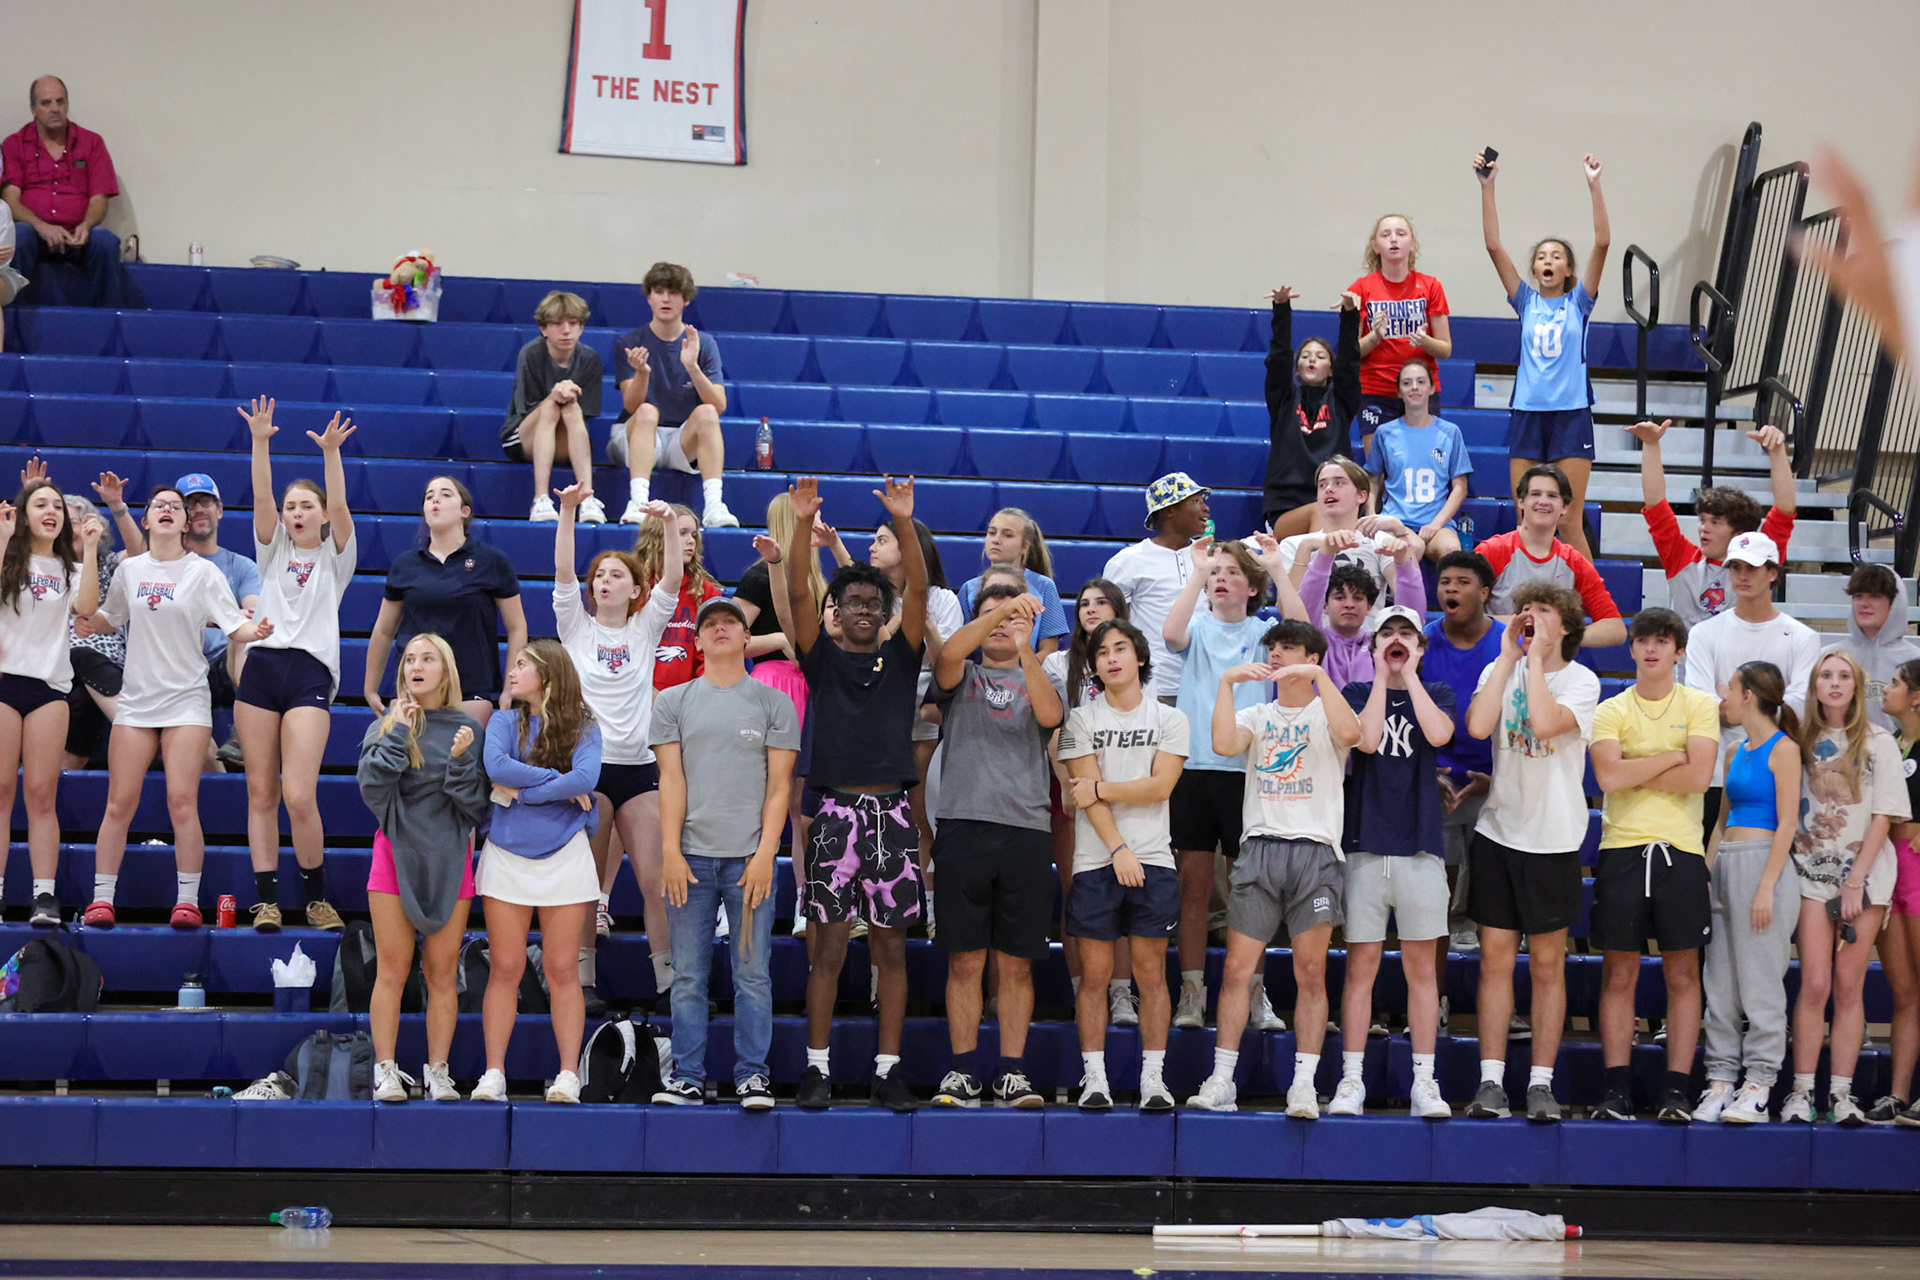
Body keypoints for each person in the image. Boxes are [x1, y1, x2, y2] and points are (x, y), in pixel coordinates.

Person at [785, 475, 928, 1112]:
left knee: (892, 948)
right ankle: (815, 1069)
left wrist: (903, 521)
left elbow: (919, 588)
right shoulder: (822, 658)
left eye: (875, 600)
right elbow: (794, 588)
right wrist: (799, 526)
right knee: (829, 947)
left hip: (893, 816)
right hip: (836, 814)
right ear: (836, 614)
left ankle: (888, 1068)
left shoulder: (901, 658)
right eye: (853, 602)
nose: (865, 607)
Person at [1187, 619, 1362, 1116]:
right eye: (1274, 648)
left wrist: (1321, 676)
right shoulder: (1258, 713)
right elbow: (1222, 745)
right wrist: (1225, 684)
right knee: (1239, 969)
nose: (1278, 654)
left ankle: (1303, 1083)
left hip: (1316, 851)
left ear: (1311, 657)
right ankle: (1223, 1079)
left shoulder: (1328, 710)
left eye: (1288, 648)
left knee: (1311, 971)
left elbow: (1355, 735)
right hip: (1260, 847)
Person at [81, 486, 274, 929]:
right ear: (145, 520)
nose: (167, 510)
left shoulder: (204, 573)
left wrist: (255, 630)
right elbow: (108, 617)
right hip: (137, 700)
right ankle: (101, 898)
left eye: (175, 507)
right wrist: (87, 619)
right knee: (118, 803)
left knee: (181, 802)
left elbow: (234, 625)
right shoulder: (129, 570)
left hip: (186, 699)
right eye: (158, 505)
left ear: (186, 524)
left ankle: (187, 900)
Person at [651, 596, 800, 1109]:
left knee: (752, 974)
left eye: (729, 624)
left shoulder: (773, 702)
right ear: (696, 641)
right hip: (689, 859)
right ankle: (687, 1075)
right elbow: (670, 781)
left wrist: (765, 855)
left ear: (744, 638)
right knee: (688, 974)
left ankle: (752, 1074)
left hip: (749, 860)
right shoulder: (673, 701)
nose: (719, 629)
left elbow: (779, 789)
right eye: (710, 624)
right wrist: (669, 850)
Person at [1463, 582, 1600, 1123]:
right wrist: (1506, 659)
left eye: (1544, 611)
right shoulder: (1504, 665)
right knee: (1495, 963)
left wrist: (1537, 662)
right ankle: (1490, 1081)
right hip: (1499, 832)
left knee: (1547, 966)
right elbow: (1477, 726)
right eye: (1526, 610)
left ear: (1565, 625)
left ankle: (1541, 1083)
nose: (1531, 618)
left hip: (1553, 839)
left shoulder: (1583, 681)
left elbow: (1545, 724)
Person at [925, 584, 1063, 1108]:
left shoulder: (1040, 676)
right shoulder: (962, 675)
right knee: (964, 962)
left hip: (1026, 831)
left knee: (1016, 963)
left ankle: (1012, 1071)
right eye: (990, 617)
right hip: (963, 826)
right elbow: (948, 654)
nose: (1002, 625)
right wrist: (1003, 610)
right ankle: (962, 1071)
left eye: (1011, 618)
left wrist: (1027, 643)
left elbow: (1050, 717)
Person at [1586, 609, 1719, 1122]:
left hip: (1681, 853)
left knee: (1683, 973)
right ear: (1632, 647)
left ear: (1678, 651)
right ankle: (1617, 1089)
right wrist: (1670, 757)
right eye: (1643, 640)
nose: (1651, 649)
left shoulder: (1700, 705)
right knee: (1619, 973)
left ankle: (1677, 1091)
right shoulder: (1611, 708)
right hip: (1622, 849)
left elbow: (1701, 777)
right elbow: (1608, 779)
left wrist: (1637, 767)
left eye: (1663, 641)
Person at [236, 399, 358, 933]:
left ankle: (316, 897)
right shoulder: (272, 551)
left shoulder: (336, 558)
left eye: (308, 505)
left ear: (323, 513)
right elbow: (261, 495)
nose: (298, 513)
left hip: (309, 673)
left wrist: (331, 454)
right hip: (261, 668)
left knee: (298, 794)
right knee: (260, 793)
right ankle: (266, 900)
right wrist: (260, 441)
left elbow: (343, 505)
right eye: (293, 507)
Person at [554, 485, 681, 994]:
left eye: (617, 575)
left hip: (638, 769)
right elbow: (564, 574)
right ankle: (582, 981)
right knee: (585, 885)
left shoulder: (645, 629)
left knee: (656, 882)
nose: (605, 581)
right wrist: (566, 511)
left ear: (635, 591)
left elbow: (672, 577)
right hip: (588, 770)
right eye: (599, 576)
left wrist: (669, 522)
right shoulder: (576, 629)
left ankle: (671, 982)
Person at [1055, 619, 1185, 1112]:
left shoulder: (1170, 719)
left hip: (1154, 859)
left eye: (1120, 649)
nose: (1111, 658)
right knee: (1095, 976)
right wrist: (1117, 850)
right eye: (1101, 652)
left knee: (1151, 976)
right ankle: (1095, 1080)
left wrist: (1103, 788)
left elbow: (1160, 787)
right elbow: (1081, 796)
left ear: (1140, 658)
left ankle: (1153, 1079)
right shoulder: (1080, 720)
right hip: (1096, 861)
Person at [355, 634, 490, 1105]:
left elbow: (474, 807)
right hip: (394, 855)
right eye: (410, 658)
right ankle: (385, 1070)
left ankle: (438, 1071)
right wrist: (396, 732)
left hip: (451, 859)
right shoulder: (386, 722)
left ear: (444, 669)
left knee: (442, 973)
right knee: (391, 971)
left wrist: (457, 762)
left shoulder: (465, 727)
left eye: (428, 658)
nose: (417, 665)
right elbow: (372, 789)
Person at [1334, 606, 1456, 1119]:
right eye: (1388, 633)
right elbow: (1365, 739)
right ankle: (1351, 1080)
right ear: (1372, 644)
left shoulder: (1439, 694)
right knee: (1360, 968)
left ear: (1422, 648)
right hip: (1363, 848)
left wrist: (1407, 676)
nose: (1398, 638)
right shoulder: (1357, 695)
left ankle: (1424, 1082)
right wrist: (1384, 675)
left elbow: (1439, 735)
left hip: (1420, 849)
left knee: (1421, 970)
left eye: (1407, 633)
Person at [1165, 537, 1290, 1034]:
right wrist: (1196, 573)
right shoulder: (1195, 623)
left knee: (1250, 891)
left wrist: (1279, 568)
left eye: (1231, 572)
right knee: (1193, 888)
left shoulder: (1265, 631)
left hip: (1248, 772)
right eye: (1215, 572)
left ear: (1252, 586)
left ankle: (1253, 994)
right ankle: (1192, 995)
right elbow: (1170, 634)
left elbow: (1303, 627)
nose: (1220, 578)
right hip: (1193, 770)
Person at [470, 639, 603, 1105]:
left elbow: (586, 780)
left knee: (563, 968)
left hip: (565, 852)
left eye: (523, 664)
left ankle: (568, 1075)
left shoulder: (584, 725)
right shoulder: (504, 720)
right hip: (507, 853)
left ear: (548, 673)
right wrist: (554, 782)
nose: (513, 670)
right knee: (504, 967)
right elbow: (494, 765)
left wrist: (524, 791)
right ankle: (493, 1074)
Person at [1782, 650, 1910, 1126]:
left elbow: (1883, 816)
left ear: (1857, 686)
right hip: (1810, 874)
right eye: (1825, 676)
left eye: (1843, 676)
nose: (1834, 683)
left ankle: (1841, 1094)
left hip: (1865, 877)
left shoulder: (1879, 742)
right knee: (1814, 983)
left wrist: (1856, 881)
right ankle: (1800, 1092)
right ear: (1814, 686)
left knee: (1848, 985)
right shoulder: (1798, 740)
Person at [1476, 150, 1610, 558]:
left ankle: (1589, 602)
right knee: (1527, 518)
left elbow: (1603, 242)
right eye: (1541, 257)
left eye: (1557, 256)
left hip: (1571, 413)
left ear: (1568, 269)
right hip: (1528, 413)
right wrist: (1488, 187)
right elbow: (1494, 245)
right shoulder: (1525, 302)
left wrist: (1594, 186)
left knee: (1568, 519)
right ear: (1535, 270)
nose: (1548, 260)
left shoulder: (1579, 303)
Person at [1693, 661, 1802, 1125]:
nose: (1724, 698)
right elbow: (1720, 820)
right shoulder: (1734, 749)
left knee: (1760, 982)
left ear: (1750, 695)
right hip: (1727, 864)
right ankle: (1720, 1080)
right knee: (1719, 982)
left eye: (1730, 689)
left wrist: (1766, 886)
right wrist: (1706, 870)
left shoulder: (1786, 749)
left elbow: (1788, 824)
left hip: (1764, 865)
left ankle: (1759, 1082)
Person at [0, 477, 100, 927]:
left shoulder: (70, 569)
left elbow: (87, 607)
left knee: (41, 796)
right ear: (24, 515)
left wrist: (92, 549)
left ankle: (44, 896)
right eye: (40, 504)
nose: (51, 511)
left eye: (57, 506)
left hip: (49, 690)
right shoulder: (9, 557)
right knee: (1, 793)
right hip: (4, 684)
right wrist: (3, 540)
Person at [1680, 532, 1821, 839]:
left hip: (1776, 777)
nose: (1742, 576)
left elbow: (1798, 709)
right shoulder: (1704, 634)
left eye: (1752, 568)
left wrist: (1731, 703)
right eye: (1735, 567)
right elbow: (1700, 707)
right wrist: (1769, 703)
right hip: (1715, 775)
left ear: (1772, 573)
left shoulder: (1802, 637)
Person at [1044, 578, 1137, 1015]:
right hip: (1073, 787)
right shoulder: (1060, 664)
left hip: (1124, 789)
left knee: (1121, 891)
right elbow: (1053, 728)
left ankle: (1119, 991)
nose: (1091, 609)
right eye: (1083, 603)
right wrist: (1065, 780)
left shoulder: (1136, 659)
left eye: (1101, 602)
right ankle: (1084, 988)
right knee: (1076, 891)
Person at [365, 475, 528, 725]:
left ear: (465, 511)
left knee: (461, 761)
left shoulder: (491, 561)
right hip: (414, 689)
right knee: (407, 762)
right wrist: (370, 687)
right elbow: (384, 630)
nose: (435, 500)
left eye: (445, 494)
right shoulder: (405, 564)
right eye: (429, 496)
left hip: (470, 686)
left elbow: (517, 627)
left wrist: (510, 689)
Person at [1629, 419, 1796, 626]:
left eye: (1715, 522)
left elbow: (1784, 511)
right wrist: (1651, 444)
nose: (1703, 528)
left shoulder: (1759, 555)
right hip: (1686, 659)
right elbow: (1655, 505)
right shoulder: (1682, 558)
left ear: (1739, 533)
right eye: (1702, 520)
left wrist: (1777, 451)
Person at [610, 261, 737, 529]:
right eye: (658, 291)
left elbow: (720, 404)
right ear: (649, 298)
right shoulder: (629, 342)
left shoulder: (704, 343)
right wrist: (643, 373)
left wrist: (692, 366)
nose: (666, 298)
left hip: (681, 439)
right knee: (646, 411)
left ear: (686, 299)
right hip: (638, 435)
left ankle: (714, 504)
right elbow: (631, 404)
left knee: (707, 413)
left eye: (674, 292)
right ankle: (638, 503)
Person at [1424, 551, 1504, 955]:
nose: (1450, 588)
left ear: (1486, 592)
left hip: (1498, 779)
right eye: (1444, 582)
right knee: (1440, 872)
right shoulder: (1420, 639)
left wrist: (1498, 779)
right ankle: (1440, 939)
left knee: (1493, 881)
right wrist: (1428, 772)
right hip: (1436, 778)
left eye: (1462, 582)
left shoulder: (1510, 643)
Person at [1, 76, 128, 309]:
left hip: (78, 236)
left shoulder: (92, 143)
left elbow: (99, 197)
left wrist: (86, 225)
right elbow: (11, 200)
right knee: (19, 234)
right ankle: (14, 322)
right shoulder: (14, 144)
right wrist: (42, 226)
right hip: (35, 234)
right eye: (46, 103)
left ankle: (110, 321)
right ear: (33, 109)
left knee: (106, 242)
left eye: (60, 101)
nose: (55, 109)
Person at [1474, 464, 1627, 651]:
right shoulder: (1493, 551)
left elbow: (1615, 628)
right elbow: (1467, 615)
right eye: (1536, 494)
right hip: (1496, 661)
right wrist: (1522, 626)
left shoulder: (1574, 562)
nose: (1543, 501)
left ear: (1564, 507)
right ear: (1521, 501)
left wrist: (1560, 636)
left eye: (1552, 496)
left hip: (1551, 668)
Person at [1348, 213, 1452, 451]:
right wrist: (1374, 337)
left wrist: (1425, 341)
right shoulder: (1361, 288)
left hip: (1421, 390)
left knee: (1423, 462)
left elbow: (1445, 349)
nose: (1393, 240)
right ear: (1375, 246)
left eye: (1401, 234)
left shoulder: (1431, 286)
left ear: (1413, 243)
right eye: (1385, 235)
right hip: (1375, 391)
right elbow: (1349, 353)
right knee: (1379, 468)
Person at [1263, 286, 1361, 537]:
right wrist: (1281, 309)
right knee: (1320, 518)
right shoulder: (1284, 399)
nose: (1311, 360)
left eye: (1320, 356)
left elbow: (1350, 363)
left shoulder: (1341, 400)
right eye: (1305, 356)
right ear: (1297, 368)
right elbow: (1278, 359)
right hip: (1286, 507)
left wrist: (1350, 314)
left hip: (1332, 504)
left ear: (1331, 369)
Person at [176, 471, 259, 765]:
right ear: (180, 517)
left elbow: (253, 611)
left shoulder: (242, 566)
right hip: (181, 665)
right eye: (191, 504)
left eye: (206, 501)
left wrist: (231, 620)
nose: (199, 508)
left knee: (245, 631)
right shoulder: (166, 563)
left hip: (225, 664)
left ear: (220, 510)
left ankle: (243, 729)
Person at [503, 291, 606, 525]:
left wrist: (566, 396)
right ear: (544, 329)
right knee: (551, 406)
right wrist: (554, 395)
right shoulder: (530, 354)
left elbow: (587, 412)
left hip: (565, 437)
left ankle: (587, 498)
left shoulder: (590, 358)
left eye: (573, 323)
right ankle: (540, 498)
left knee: (571, 407)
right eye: (558, 324)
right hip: (523, 435)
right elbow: (525, 409)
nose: (566, 330)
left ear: (581, 328)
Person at [1103, 473, 1208, 700]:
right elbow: (1108, 626)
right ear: (1170, 510)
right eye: (1197, 501)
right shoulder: (1127, 561)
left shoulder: (1212, 557)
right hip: (1151, 688)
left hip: (1206, 686)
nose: (1206, 509)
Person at [61, 480, 141, 771]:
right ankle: (135, 725)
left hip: (107, 664)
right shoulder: (44, 567)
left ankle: (59, 778)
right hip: (54, 665)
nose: (70, 530)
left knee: (83, 698)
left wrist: (117, 507)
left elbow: (140, 554)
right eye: (63, 523)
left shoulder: (108, 564)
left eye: (76, 522)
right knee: (78, 655)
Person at [1362, 360, 1474, 560]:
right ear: (1398, 392)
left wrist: (1436, 524)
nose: (1414, 387)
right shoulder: (1384, 433)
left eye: (1421, 382)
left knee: (1452, 552)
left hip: (1436, 524)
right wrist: (1372, 516)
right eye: (1407, 383)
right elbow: (1372, 480)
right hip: (1395, 522)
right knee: (1411, 547)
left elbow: (1460, 487)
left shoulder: (1450, 432)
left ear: (1432, 388)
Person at [1295, 531, 1427, 687]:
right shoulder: (1314, 641)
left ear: (1369, 607)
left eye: (1358, 598)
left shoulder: (1381, 645)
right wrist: (1325, 554)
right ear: (1324, 605)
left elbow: (1411, 618)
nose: (1349, 604)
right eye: (1339, 597)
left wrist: (1403, 562)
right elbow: (1308, 600)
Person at [1876, 660, 1920, 1126]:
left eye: (1894, 683)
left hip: (1918, 867)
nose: (1884, 689)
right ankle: (1898, 1094)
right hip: (1889, 864)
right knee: (1904, 990)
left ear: (1916, 697)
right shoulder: (1887, 744)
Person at [634, 503, 723, 694]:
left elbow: (711, 655)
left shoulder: (705, 593)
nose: (690, 541)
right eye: (682, 533)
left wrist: (701, 695)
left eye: (694, 535)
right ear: (658, 537)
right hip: (634, 697)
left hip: (687, 701)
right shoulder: (632, 588)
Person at [955, 508, 1068, 657]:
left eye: (1007, 535)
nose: (996, 539)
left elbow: (1048, 651)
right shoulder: (969, 588)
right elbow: (959, 646)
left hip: (1026, 675)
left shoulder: (1043, 586)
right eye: (991, 532)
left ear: (1025, 546)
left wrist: (1020, 678)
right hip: (977, 676)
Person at [1829, 563, 1920, 731]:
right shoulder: (1830, 657)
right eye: (1858, 596)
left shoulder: (1915, 661)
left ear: (1894, 603)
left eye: (1875, 596)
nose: (1864, 603)